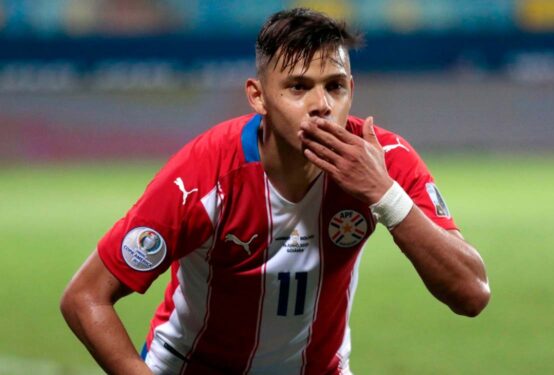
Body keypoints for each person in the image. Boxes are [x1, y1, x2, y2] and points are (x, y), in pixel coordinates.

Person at [60, 8, 490, 375]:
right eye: (298, 87)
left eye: (335, 86)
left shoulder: (384, 161)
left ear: (351, 91)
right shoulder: (205, 174)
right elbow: (85, 297)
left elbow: (471, 293)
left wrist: (384, 194)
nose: (321, 105)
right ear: (258, 96)